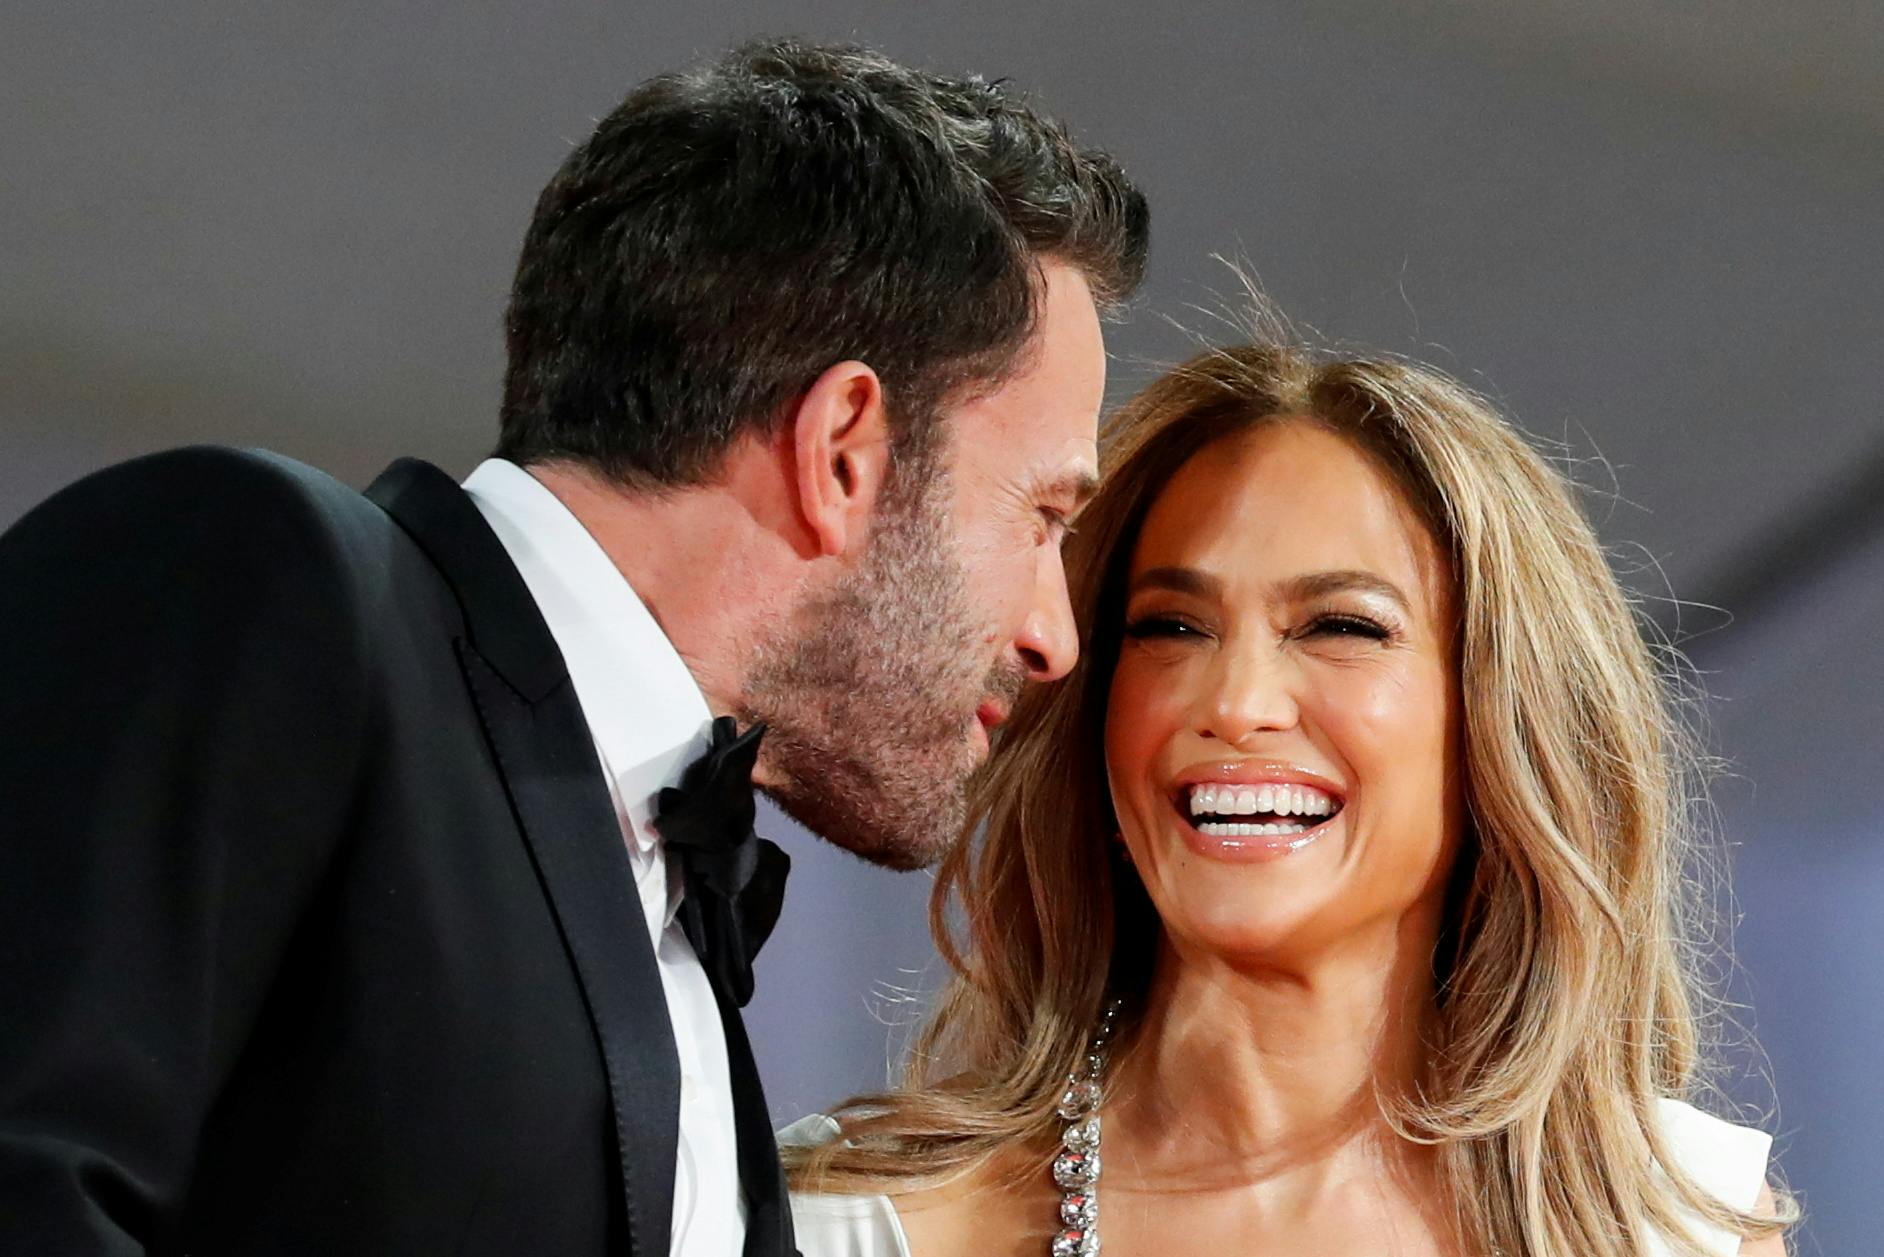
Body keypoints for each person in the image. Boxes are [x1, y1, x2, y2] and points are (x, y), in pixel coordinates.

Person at [0, 38, 1148, 1256]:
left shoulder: (680, 912)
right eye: (1043, 518)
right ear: (844, 451)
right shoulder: (255, 579)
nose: (1053, 636)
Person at [786, 333, 1796, 1256]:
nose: (1234, 703)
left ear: (1503, 719)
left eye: (1340, 628)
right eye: (1171, 628)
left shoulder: (1684, 1225)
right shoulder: (842, 1223)